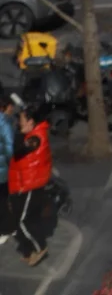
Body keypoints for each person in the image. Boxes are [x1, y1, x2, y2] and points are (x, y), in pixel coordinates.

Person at [8, 103, 52, 266]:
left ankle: (40, 248)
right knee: (21, 219)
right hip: (22, 184)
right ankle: (30, 250)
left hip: (31, 185)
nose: (19, 123)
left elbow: (18, 151)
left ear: (31, 122)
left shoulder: (35, 138)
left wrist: (20, 134)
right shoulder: (31, 135)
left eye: (22, 120)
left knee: (23, 221)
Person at [0, 90, 16, 243]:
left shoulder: (5, 123)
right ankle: (7, 228)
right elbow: (9, 147)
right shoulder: (4, 123)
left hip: (3, 170)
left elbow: (9, 147)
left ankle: (7, 228)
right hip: (3, 169)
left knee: (3, 200)